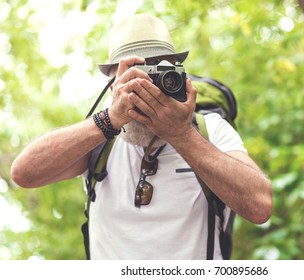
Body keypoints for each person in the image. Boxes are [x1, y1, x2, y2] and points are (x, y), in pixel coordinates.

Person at [11, 13, 272, 260]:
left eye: (155, 76)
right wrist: (110, 120)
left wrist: (181, 134)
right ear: (112, 85)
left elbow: (260, 206)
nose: (145, 90)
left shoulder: (209, 129)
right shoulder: (100, 140)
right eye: (133, 77)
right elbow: (24, 173)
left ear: (177, 77)